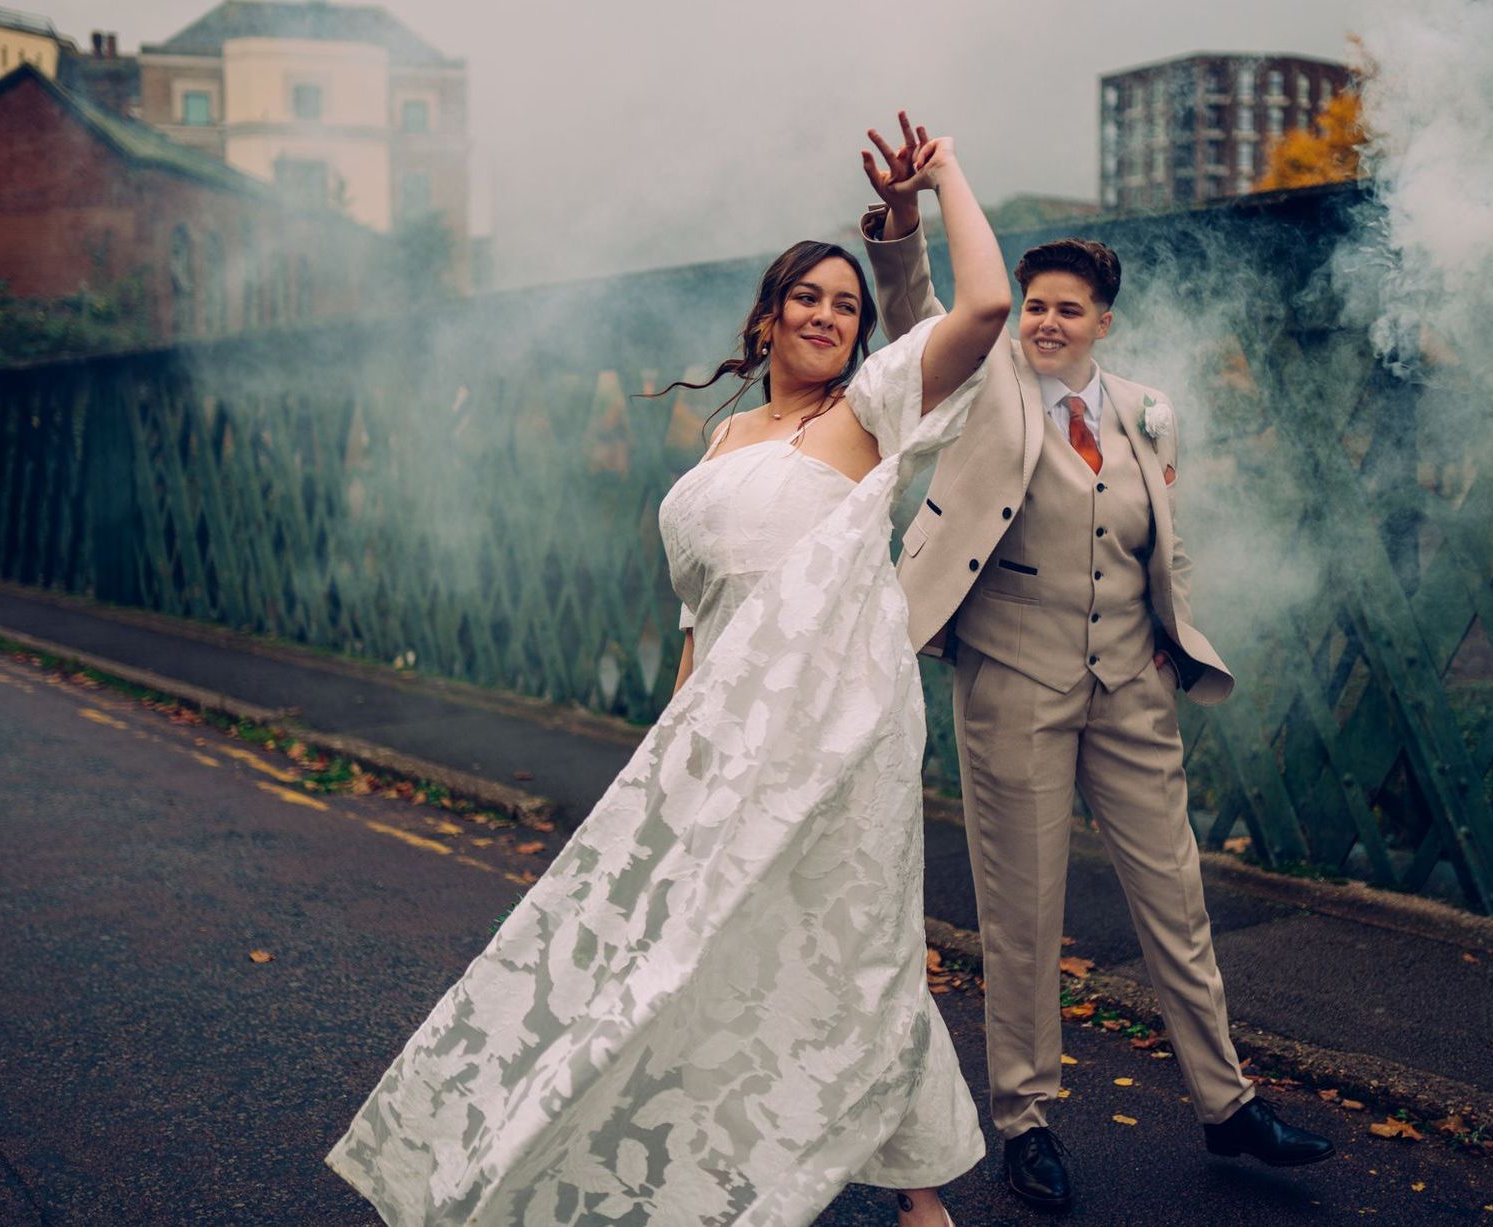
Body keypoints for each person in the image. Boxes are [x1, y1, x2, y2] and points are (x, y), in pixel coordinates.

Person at [326, 133, 1010, 1227]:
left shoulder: (871, 415)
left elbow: (980, 309)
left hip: (841, 723)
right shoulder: (724, 435)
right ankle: (670, 1150)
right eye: (808, 298)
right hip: (720, 733)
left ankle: (921, 1197)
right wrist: (672, 746)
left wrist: (939, 184)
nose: (830, 315)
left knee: (854, 934)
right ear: (767, 317)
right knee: (695, 944)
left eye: (847, 303)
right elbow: (699, 608)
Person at [858, 112, 1334, 1213]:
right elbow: (915, 317)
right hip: (1012, 686)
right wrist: (902, 218)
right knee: (1020, 914)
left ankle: (1229, 1105)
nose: (1048, 322)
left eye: (1069, 309)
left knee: (1177, 897)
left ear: (1103, 322)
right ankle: (1025, 1120)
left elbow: (1158, 539)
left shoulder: (1150, 414)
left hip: (1132, 688)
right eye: (1037, 306)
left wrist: (1168, 643)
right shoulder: (985, 386)